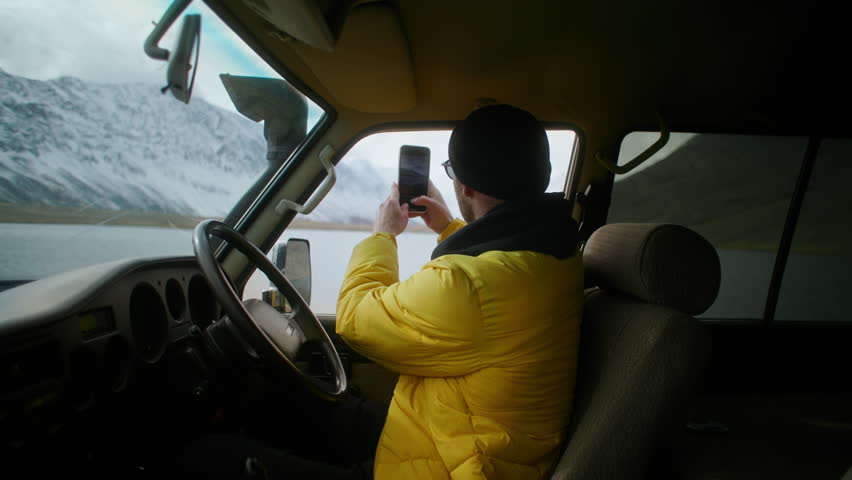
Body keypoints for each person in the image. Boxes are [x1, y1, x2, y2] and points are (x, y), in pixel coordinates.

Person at [335, 104, 584, 479]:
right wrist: (449, 227)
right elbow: (494, 283)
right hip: (457, 437)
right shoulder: (556, 252)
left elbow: (355, 319)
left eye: (452, 170)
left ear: (464, 185)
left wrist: (383, 235)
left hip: (451, 464)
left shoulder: (464, 286)